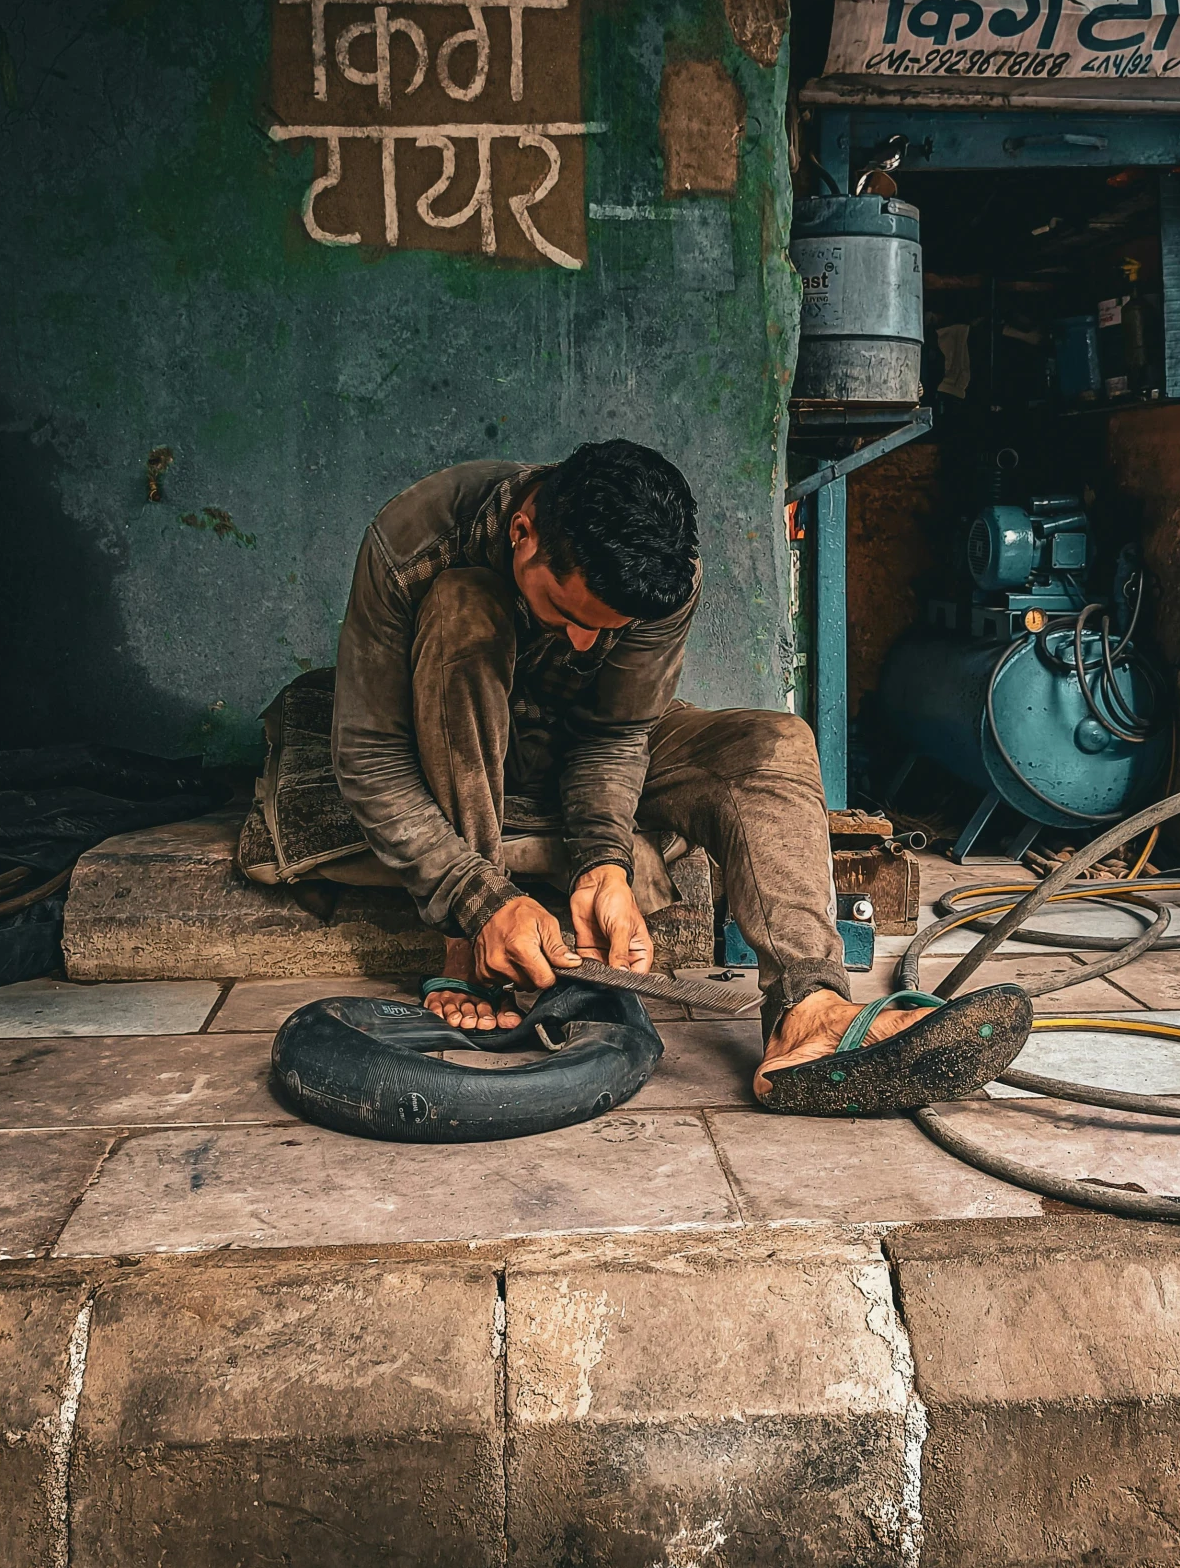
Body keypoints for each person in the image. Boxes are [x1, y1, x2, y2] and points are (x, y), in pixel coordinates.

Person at [331, 440, 957, 1105]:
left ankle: (810, 1010)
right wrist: (479, 901)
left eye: (605, 630)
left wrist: (604, 863)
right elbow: (369, 757)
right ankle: (467, 955)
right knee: (465, 608)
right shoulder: (413, 540)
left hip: (585, 752)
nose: (581, 643)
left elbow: (615, 732)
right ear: (524, 532)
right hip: (464, 748)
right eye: (566, 614)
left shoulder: (661, 573)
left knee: (775, 741)